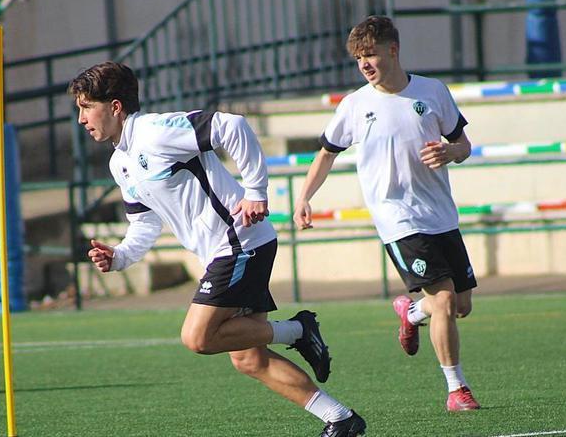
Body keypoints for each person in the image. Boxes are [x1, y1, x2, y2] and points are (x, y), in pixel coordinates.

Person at [69, 61, 367, 436]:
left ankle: (298, 330)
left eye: (86, 106)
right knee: (248, 358)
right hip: (224, 251)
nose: (81, 118)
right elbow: (144, 222)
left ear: (114, 106)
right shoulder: (120, 162)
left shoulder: (154, 131)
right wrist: (120, 255)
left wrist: (256, 192)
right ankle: (341, 419)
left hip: (239, 243)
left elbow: (233, 126)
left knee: (197, 338)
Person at [293, 16, 481, 412]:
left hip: (441, 214)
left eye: (370, 54)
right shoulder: (355, 105)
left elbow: (463, 143)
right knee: (444, 301)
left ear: (392, 51)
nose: (364, 64)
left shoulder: (432, 91)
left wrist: (452, 152)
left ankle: (411, 312)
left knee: (460, 305)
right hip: (397, 218)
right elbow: (326, 153)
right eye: (358, 58)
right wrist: (304, 197)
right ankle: (456, 389)